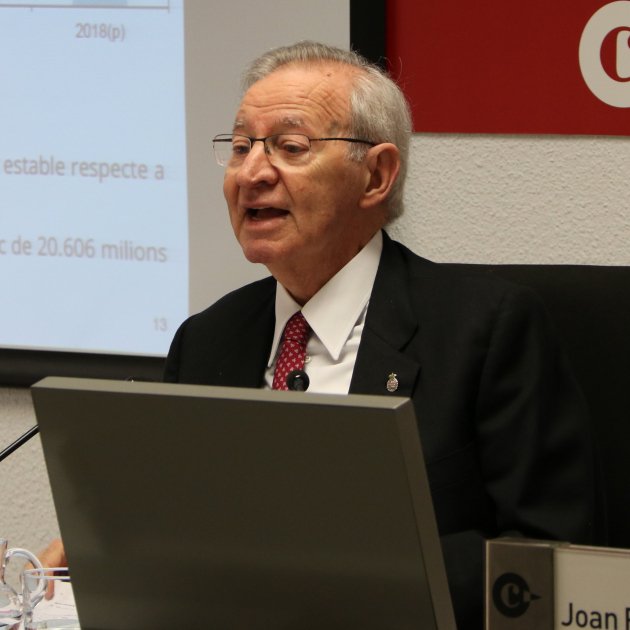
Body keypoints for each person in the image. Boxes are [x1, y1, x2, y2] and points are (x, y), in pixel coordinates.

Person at [43, 41, 596, 627]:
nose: (251, 173)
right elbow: (179, 530)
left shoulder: (485, 331)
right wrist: (109, 553)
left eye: (290, 147)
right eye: (240, 147)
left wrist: (347, 582)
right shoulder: (206, 340)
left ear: (376, 176)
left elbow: (552, 556)